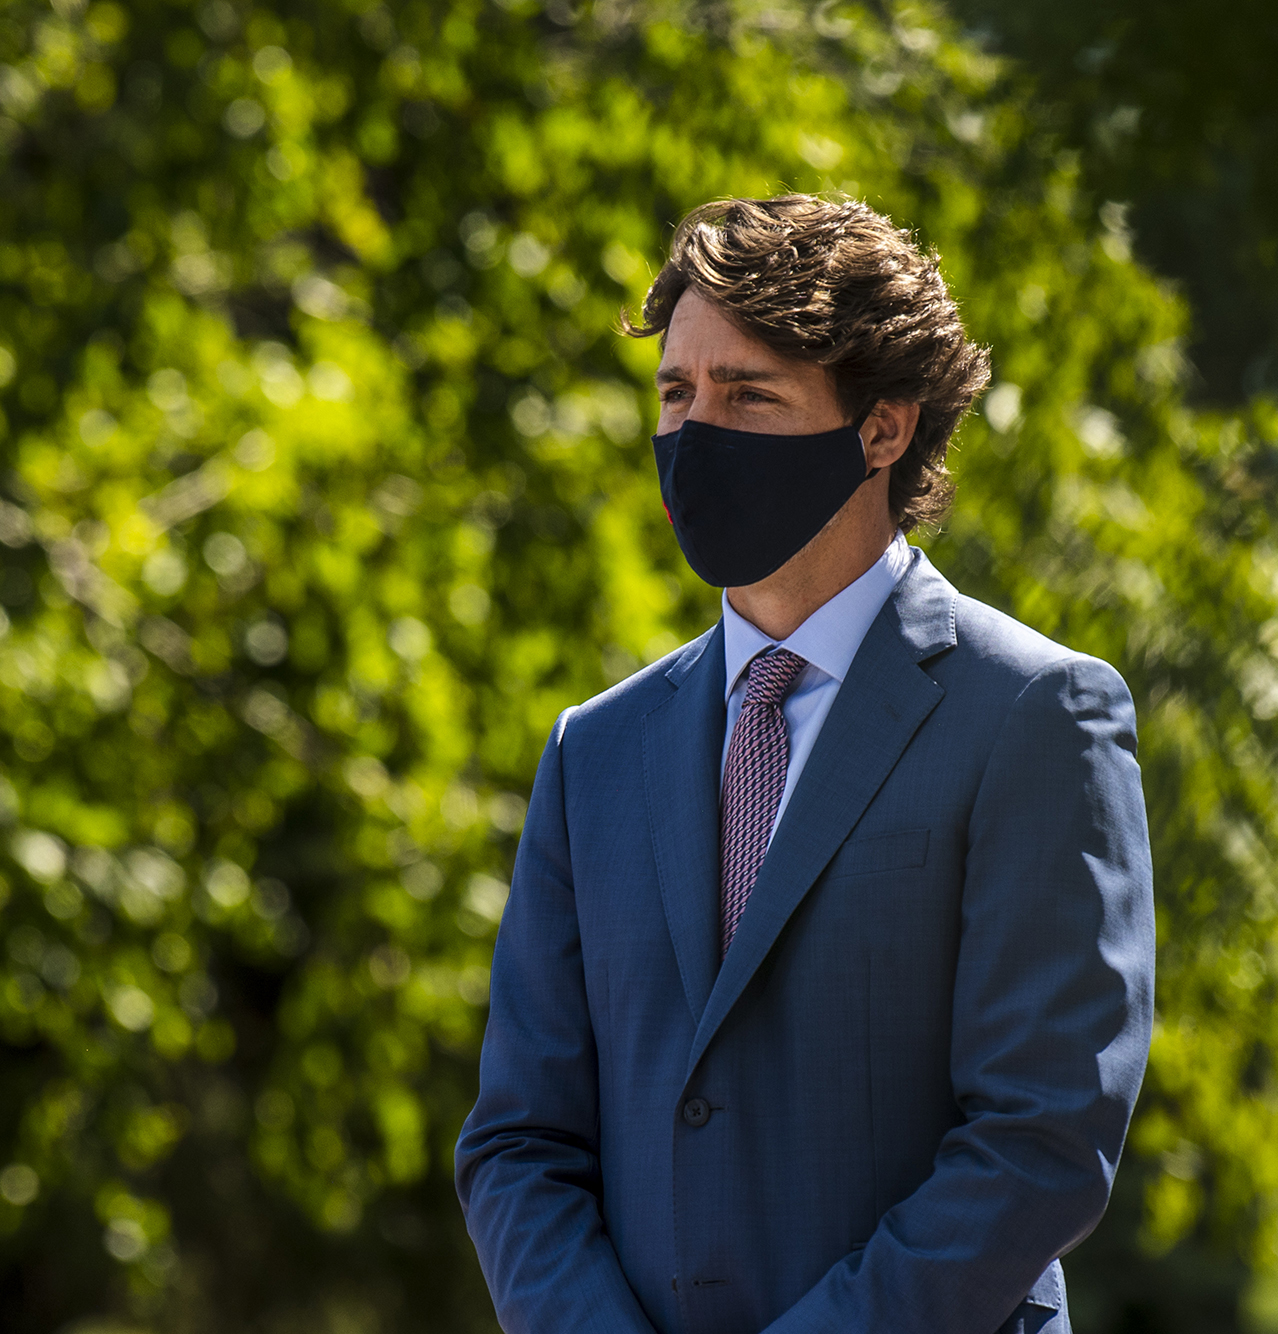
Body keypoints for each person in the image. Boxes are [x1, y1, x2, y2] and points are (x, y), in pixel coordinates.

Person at [454, 194, 1155, 1334]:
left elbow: (1040, 1133)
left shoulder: (1035, 712)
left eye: (749, 394)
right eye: (675, 393)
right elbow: (518, 1140)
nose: (692, 433)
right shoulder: (597, 748)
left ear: (881, 427)